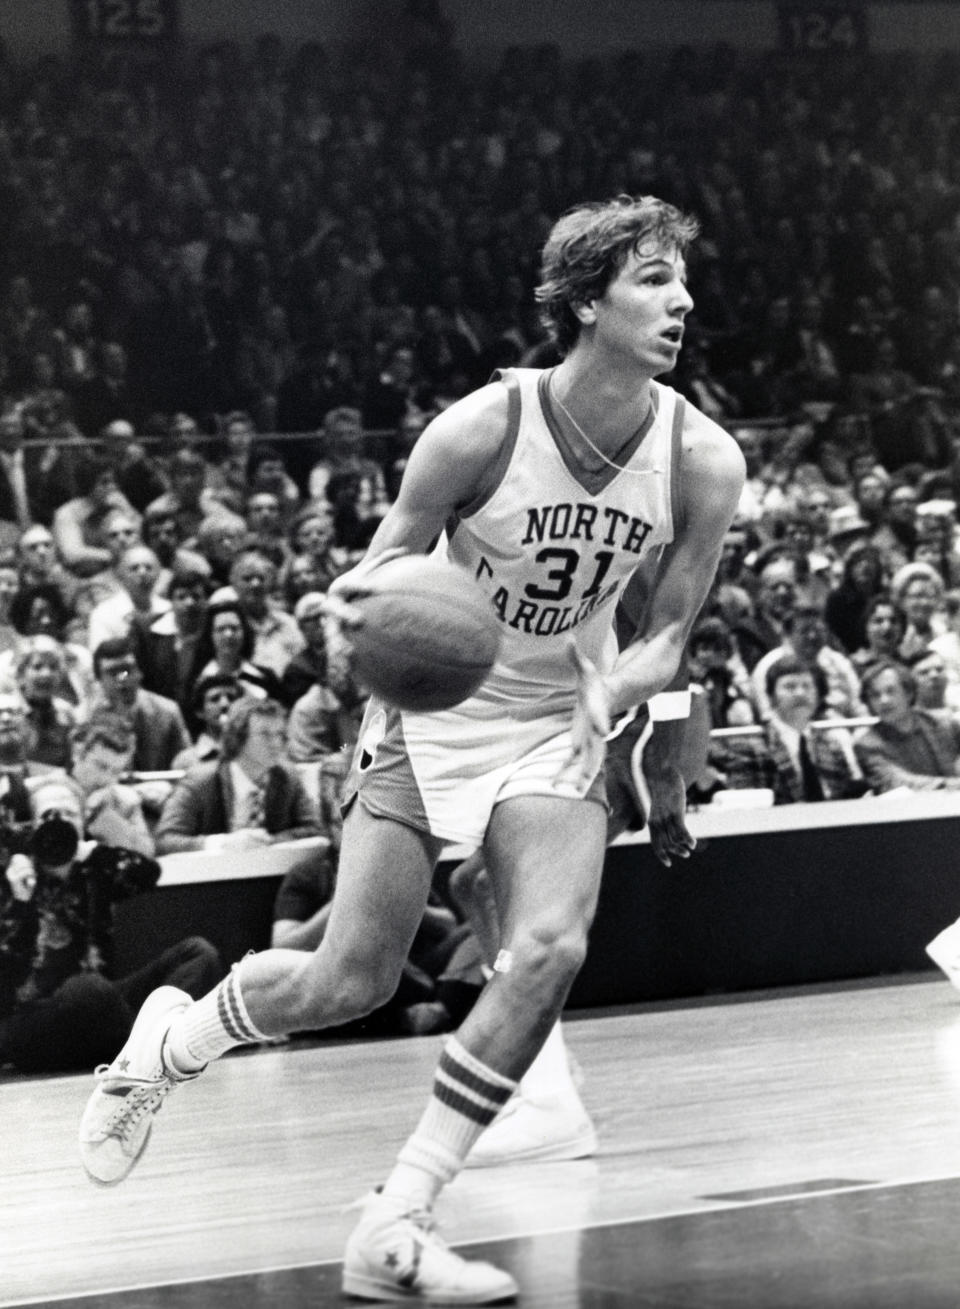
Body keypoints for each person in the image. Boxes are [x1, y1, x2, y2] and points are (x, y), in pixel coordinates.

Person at [78, 194, 745, 1303]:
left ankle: (398, 1217)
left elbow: (669, 629)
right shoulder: (483, 428)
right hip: (429, 714)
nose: (681, 302)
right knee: (350, 977)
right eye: (651, 281)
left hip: (556, 716)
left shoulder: (701, 458)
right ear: (586, 301)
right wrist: (362, 613)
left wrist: (619, 685)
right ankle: (170, 1046)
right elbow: (375, 573)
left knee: (547, 946)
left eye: (683, 281)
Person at [0, 773, 221, 1074]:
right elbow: (6, 980)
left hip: (105, 1008)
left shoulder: (95, 869)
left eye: (69, 815)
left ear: (81, 823)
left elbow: (148, 872)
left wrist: (92, 851)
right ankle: (150, 1045)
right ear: (32, 827)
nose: (58, 823)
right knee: (88, 990)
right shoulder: (12, 877)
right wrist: (21, 902)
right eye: (48, 817)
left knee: (198, 953)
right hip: (37, 1018)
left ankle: (148, 1043)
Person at [154, 696, 324, 855]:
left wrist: (269, 841)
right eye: (265, 734)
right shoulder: (200, 781)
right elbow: (165, 840)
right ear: (238, 738)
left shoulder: (287, 777)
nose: (276, 743)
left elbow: (315, 828)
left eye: (279, 734)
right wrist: (223, 843)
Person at [715, 654, 866, 803]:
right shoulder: (751, 747)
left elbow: (846, 802)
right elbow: (744, 809)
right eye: (790, 686)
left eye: (807, 686)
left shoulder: (832, 746)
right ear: (771, 696)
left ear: (819, 695)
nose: (800, 693)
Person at [854, 658, 960, 792]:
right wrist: (954, 785)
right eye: (875, 695)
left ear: (909, 693)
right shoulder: (866, 745)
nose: (884, 700)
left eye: (890, 691)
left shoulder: (946, 725)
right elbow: (897, 783)